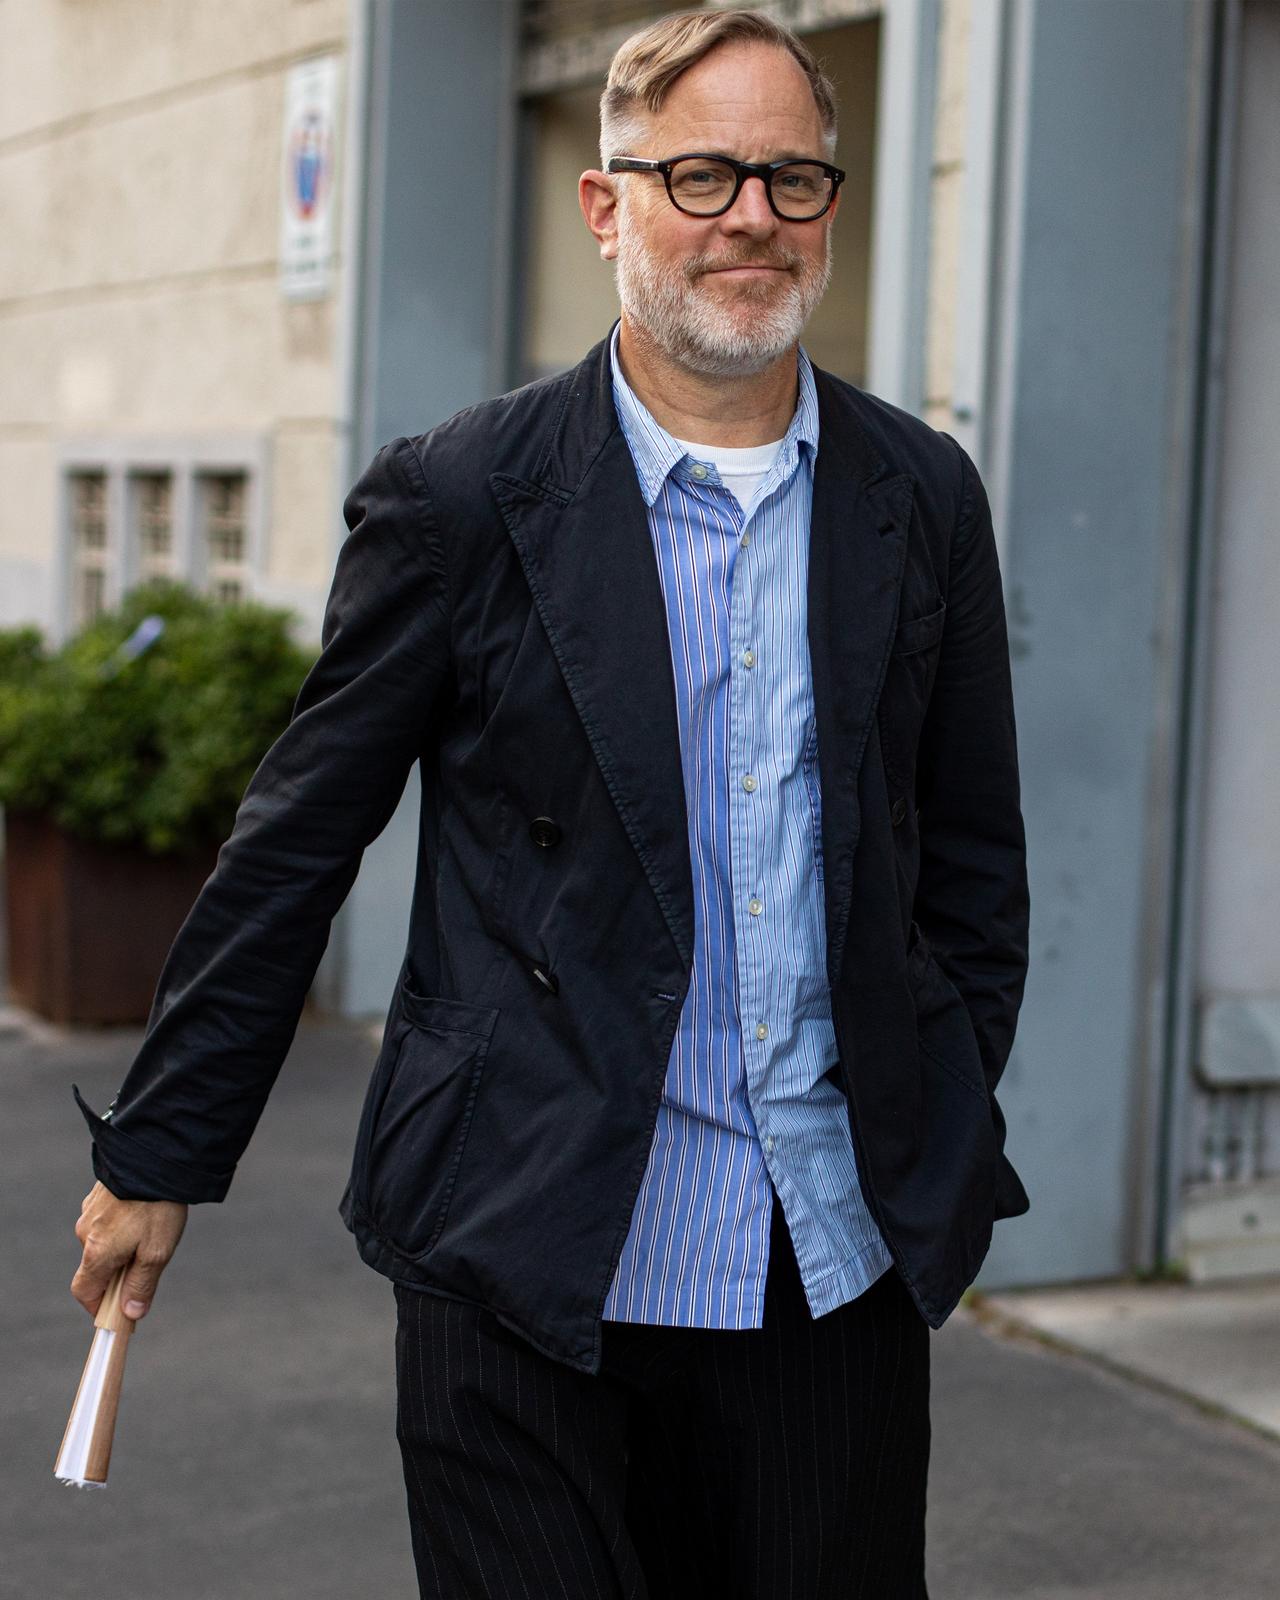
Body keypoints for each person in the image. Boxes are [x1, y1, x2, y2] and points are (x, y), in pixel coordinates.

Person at [69, 8, 1030, 1597]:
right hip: (521, 1243)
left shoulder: (918, 498)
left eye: (792, 180)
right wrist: (167, 1144)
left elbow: (972, 861)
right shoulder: (464, 498)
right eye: (704, 173)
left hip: (824, 1264)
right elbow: (299, 835)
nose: (750, 218)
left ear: (832, 208)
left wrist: (940, 1091)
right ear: (607, 205)